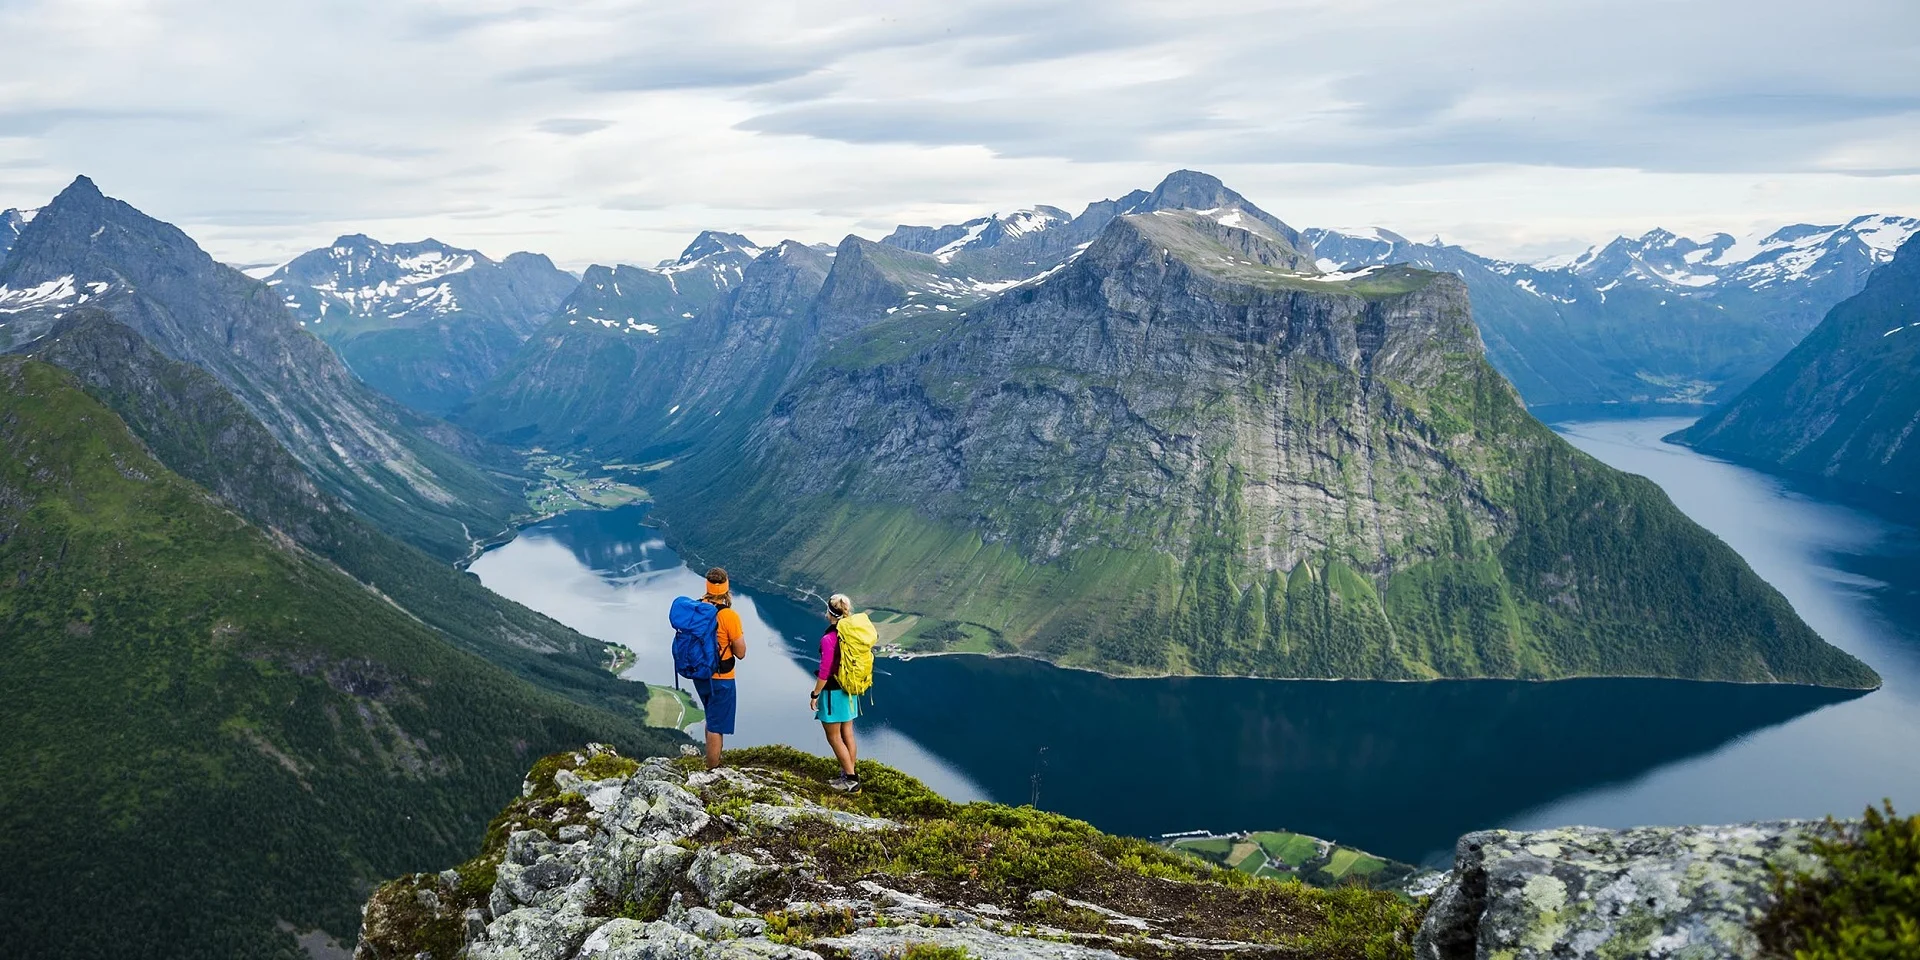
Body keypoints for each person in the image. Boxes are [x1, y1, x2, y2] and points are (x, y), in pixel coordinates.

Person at [692, 567, 745, 769]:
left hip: (700, 674)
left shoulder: (697, 608)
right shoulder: (728, 616)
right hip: (722, 677)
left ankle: (711, 762)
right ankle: (712, 770)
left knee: (711, 716)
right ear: (726, 587)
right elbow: (740, 652)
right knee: (716, 725)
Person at [811, 594, 861, 791]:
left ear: (829, 613)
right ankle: (849, 773)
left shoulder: (829, 638)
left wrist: (815, 694)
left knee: (833, 736)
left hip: (832, 691)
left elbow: (825, 671)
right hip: (850, 689)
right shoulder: (851, 634)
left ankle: (851, 779)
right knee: (847, 732)